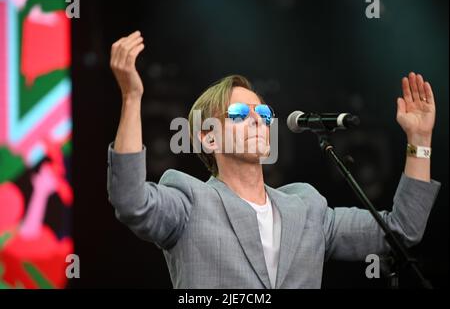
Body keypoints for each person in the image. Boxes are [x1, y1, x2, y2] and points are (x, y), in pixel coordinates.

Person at [107, 31, 441, 288]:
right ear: (208, 136)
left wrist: (420, 140)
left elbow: (401, 230)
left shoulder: (307, 207)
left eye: (263, 114)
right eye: (239, 113)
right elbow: (130, 201)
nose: (257, 120)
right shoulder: (189, 199)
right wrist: (131, 97)